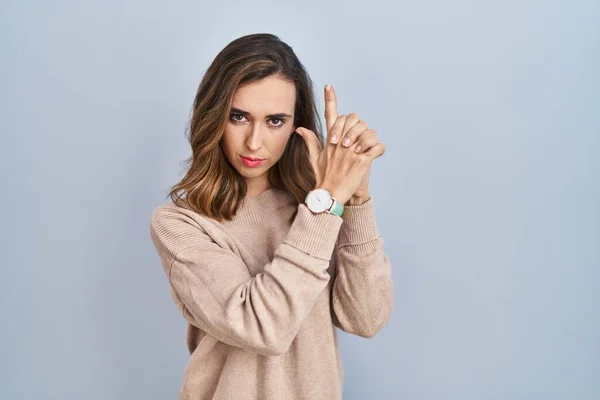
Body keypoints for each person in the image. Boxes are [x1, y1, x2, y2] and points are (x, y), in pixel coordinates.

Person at [149, 33, 394, 400]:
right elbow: (263, 328)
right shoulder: (181, 224)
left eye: (275, 121)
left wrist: (355, 198)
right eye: (239, 117)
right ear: (213, 116)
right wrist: (326, 202)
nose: (253, 142)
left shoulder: (314, 207)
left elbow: (366, 318)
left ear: (297, 124)